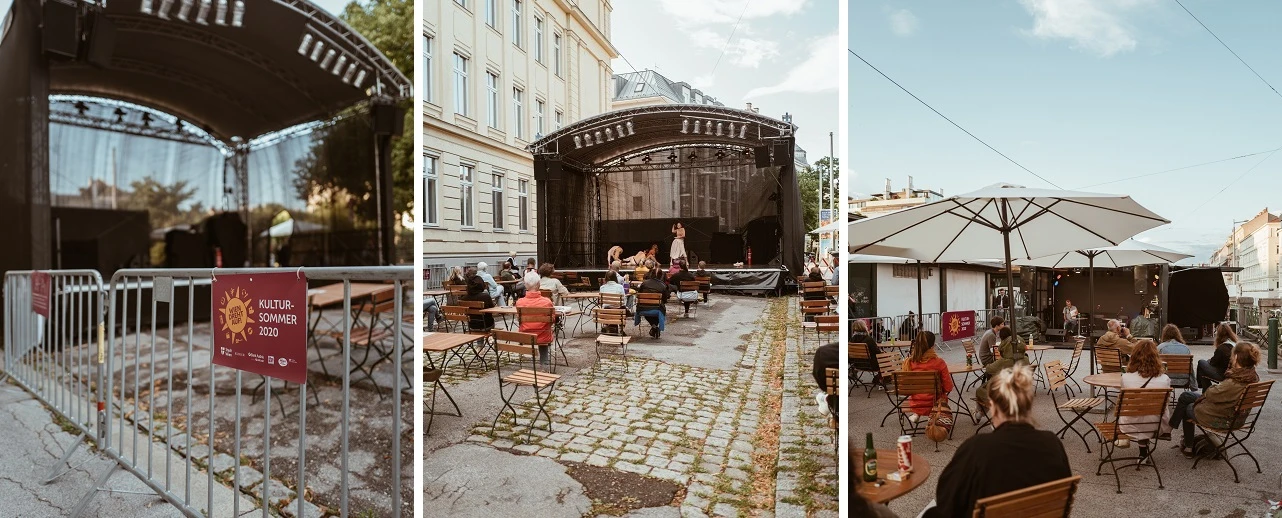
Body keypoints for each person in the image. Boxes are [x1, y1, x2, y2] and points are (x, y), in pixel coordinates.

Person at [923, 366, 1072, 518]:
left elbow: (947, 499)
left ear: (992, 407)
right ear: (1028, 405)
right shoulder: (1052, 443)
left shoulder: (977, 448)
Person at [1170, 341, 1261, 457]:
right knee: (1186, 396)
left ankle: (1189, 447)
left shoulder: (1235, 381)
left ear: (1237, 357)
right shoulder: (1251, 376)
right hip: (1235, 415)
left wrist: (1218, 384)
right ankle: (1170, 428)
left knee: (1188, 408)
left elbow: (1211, 394)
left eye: (1232, 355)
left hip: (1223, 418)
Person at [1118, 339, 1172, 461]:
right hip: (1156, 426)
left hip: (1129, 425)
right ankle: (1143, 451)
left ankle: (1141, 450)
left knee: (1136, 411)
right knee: (1148, 412)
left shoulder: (1126, 378)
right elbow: (1166, 403)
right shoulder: (1165, 379)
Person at [903, 331, 954, 422]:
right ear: (933, 345)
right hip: (936, 403)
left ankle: (917, 414)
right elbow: (948, 387)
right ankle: (934, 418)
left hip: (916, 404)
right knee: (941, 396)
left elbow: (906, 387)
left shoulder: (909, 362)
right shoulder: (939, 362)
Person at [516, 271, 555, 366]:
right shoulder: (547, 302)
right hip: (543, 336)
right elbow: (552, 320)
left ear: (525, 285)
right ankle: (544, 363)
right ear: (539, 284)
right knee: (543, 331)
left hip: (526, 335)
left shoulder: (520, 302)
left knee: (540, 331)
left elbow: (519, 319)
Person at [1198, 323, 1238, 389]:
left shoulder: (1221, 348)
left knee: (1201, 363)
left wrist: (1208, 361)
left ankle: (1203, 387)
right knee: (1204, 368)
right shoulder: (1235, 345)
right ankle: (1203, 387)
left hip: (1223, 374)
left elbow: (1213, 363)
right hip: (1232, 372)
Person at [1157, 323, 1196, 390]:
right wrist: (1193, 385)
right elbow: (1190, 367)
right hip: (1184, 379)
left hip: (1165, 378)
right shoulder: (1186, 348)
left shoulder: (1160, 348)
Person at [635, 268, 670, 338]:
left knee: (647, 308)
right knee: (660, 308)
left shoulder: (644, 283)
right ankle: (655, 326)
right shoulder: (663, 286)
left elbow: (639, 294)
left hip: (642, 308)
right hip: (657, 308)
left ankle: (654, 327)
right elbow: (665, 299)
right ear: (661, 276)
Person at [850, 320, 884, 385]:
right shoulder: (868, 339)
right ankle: (880, 378)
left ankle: (880, 378)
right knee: (887, 358)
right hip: (871, 364)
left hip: (856, 365)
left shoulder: (852, 340)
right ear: (864, 327)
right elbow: (877, 352)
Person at [812, 341, 839, 415]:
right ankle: (828, 399)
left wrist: (827, 390)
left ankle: (828, 400)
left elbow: (817, 374)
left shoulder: (823, 352)